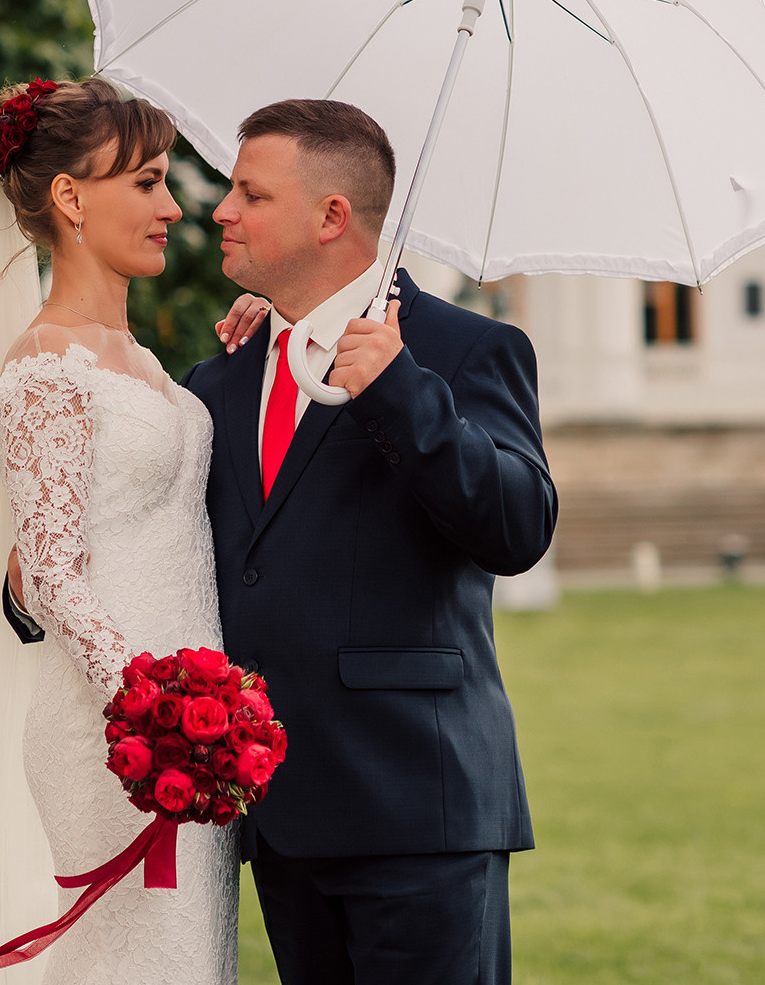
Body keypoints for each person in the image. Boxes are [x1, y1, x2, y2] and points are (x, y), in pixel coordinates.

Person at [0, 77, 244, 984]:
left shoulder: (147, 361)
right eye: (147, 182)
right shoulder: (45, 366)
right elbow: (51, 571)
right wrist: (152, 710)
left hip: (195, 731)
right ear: (71, 197)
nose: (171, 208)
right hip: (114, 733)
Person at [181, 99, 558, 985]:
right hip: (278, 816)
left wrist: (402, 391)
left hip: (419, 809)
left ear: (331, 216)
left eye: (250, 193)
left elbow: (518, 527)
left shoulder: (466, 351)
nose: (222, 210)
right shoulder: (223, 373)